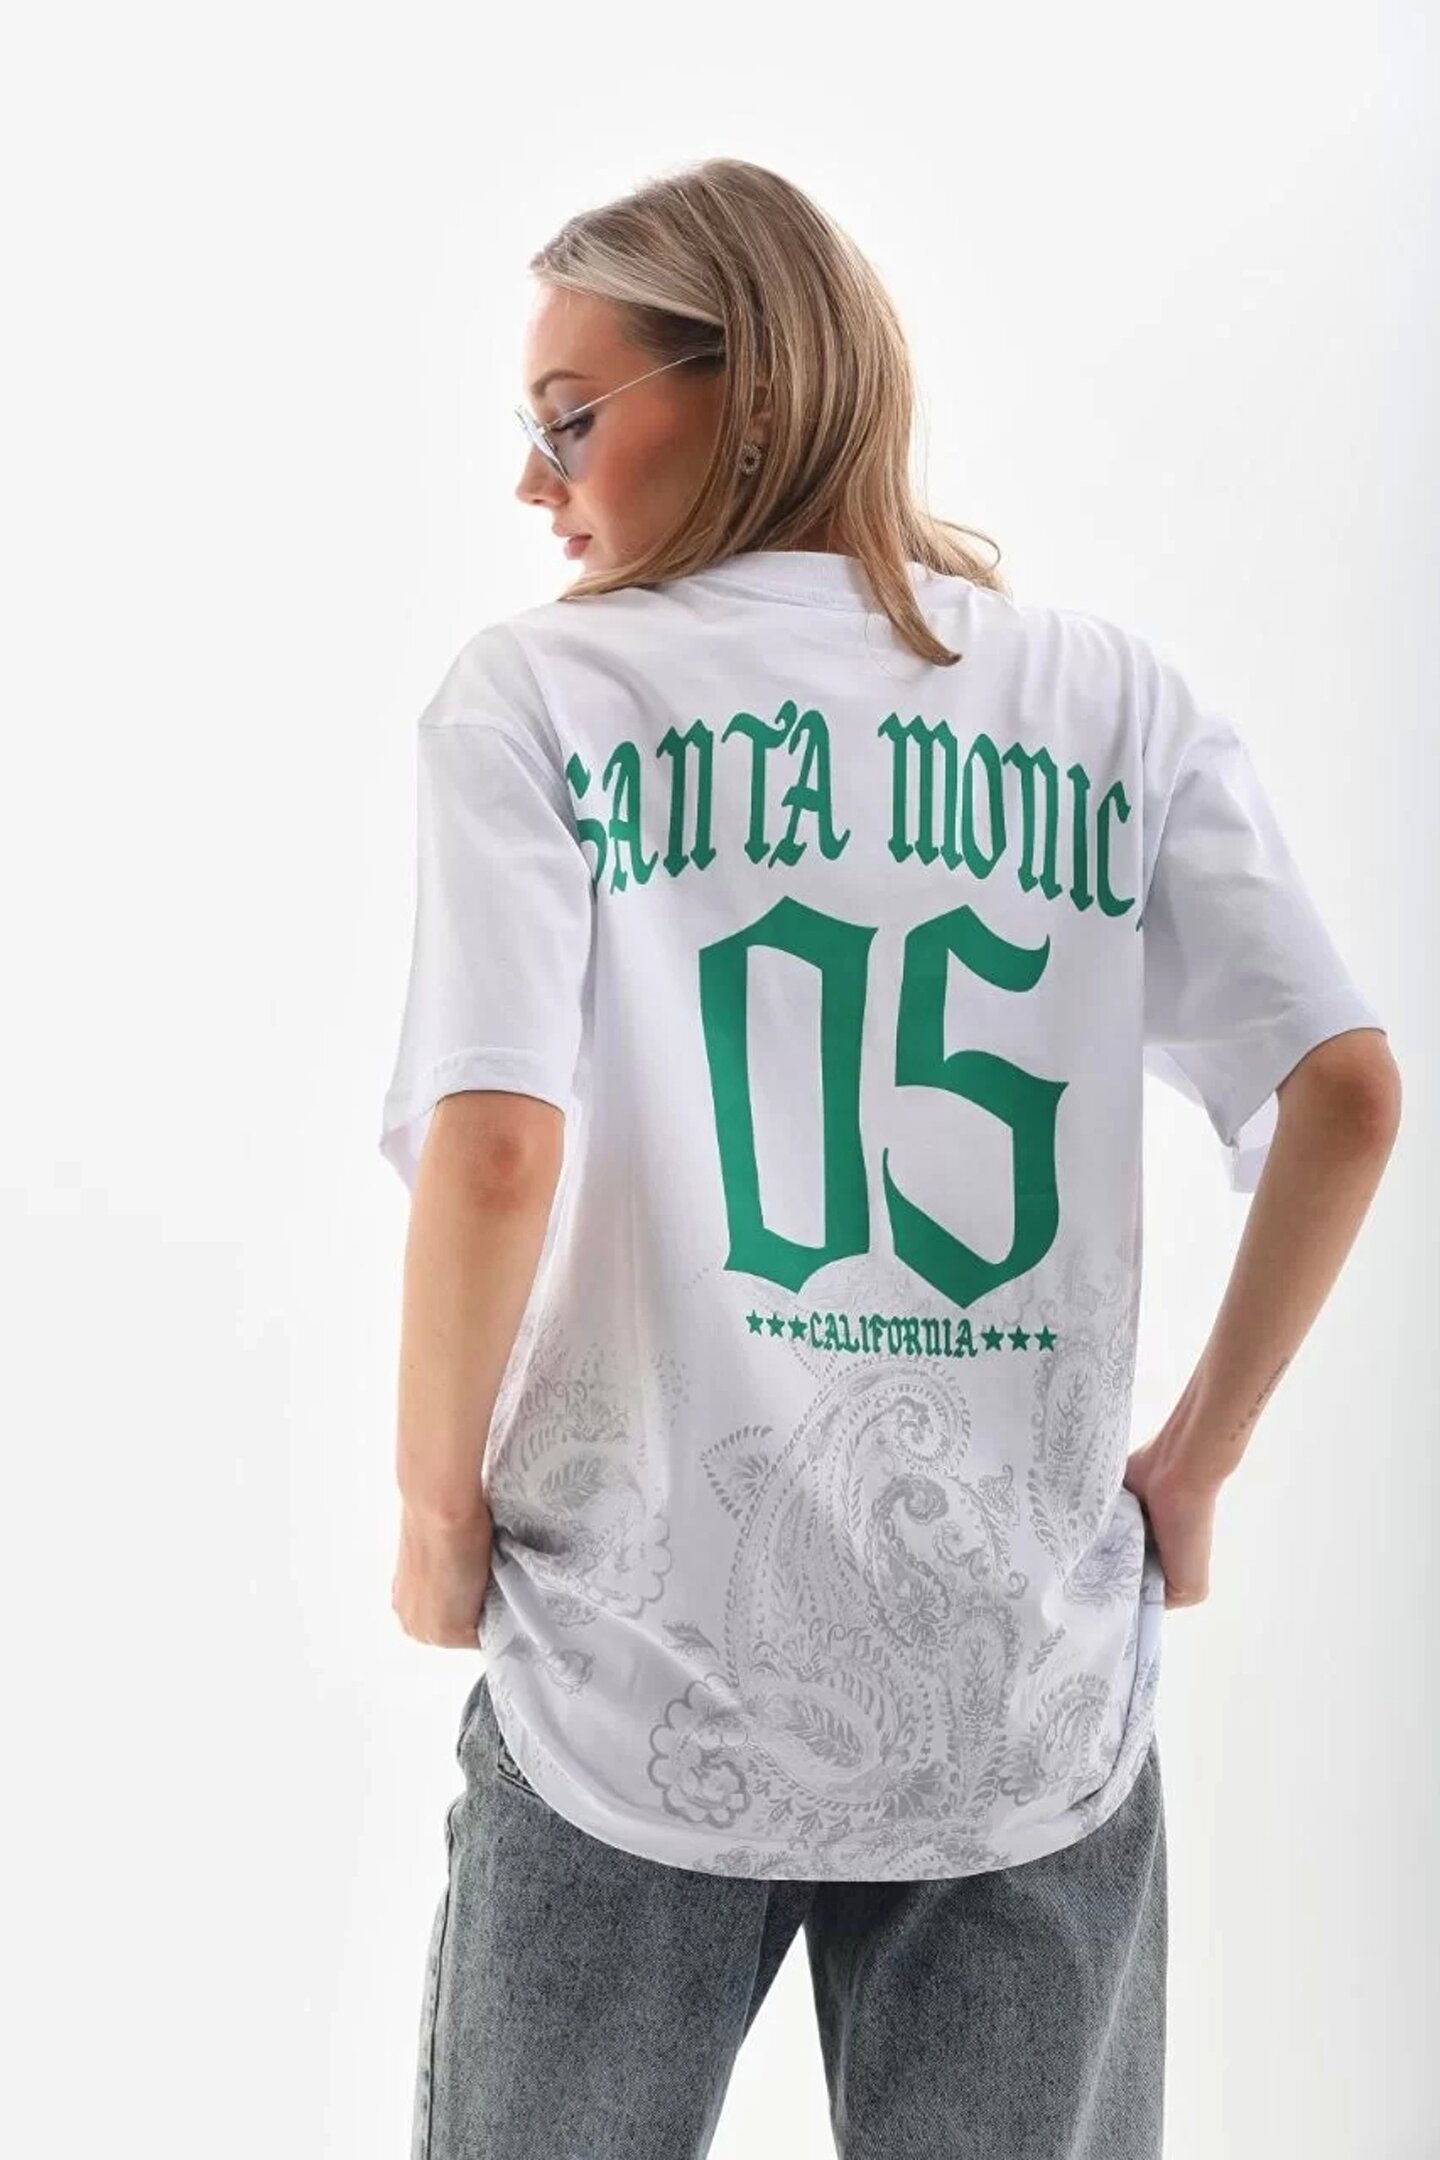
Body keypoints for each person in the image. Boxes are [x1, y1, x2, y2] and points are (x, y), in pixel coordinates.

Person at [378, 157, 1400, 2160]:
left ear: (751, 390)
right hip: (1019, 1688)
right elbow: (1346, 1095)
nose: (531, 482)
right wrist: (1195, 1464)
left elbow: (496, 1149)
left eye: (569, 420)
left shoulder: (548, 693)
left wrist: (432, 1508)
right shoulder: (1111, 702)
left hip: (629, 1674)